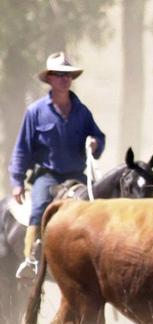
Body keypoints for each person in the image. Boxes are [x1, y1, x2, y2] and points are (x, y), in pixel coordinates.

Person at [10, 51, 105, 279]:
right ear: (50, 79)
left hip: (77, 175)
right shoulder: (35, 112)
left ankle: (101, 260)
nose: (64, 79)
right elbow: (22, 148)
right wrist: (17, 181)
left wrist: (95, 143)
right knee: (39, 208)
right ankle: (30, 260)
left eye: (68, 75)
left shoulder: (82, 113)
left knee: (98, 206)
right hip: (48, 175)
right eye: (59, 74)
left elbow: (99, 137)